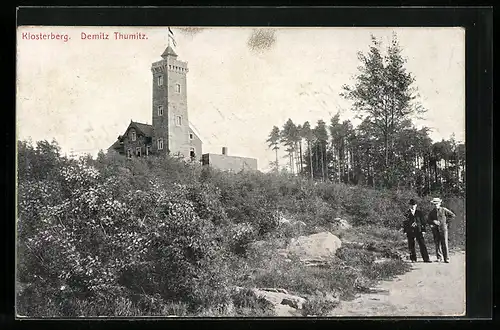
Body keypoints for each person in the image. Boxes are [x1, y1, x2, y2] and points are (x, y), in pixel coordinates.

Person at [427, 197, 456, 263]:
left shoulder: (444, 210)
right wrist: (433, 222)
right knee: (437, 243)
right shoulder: (432, 212)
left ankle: (446, 258)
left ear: (440, 203)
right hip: (435, 229)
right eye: (434, 204)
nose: (435, 205)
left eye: (437, 203)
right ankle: (439, 258)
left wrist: (446, 223)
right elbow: (428, 220)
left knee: (444, 243)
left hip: (443, 229)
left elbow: (453, 216)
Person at [402, 199, 431, 263]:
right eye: (411, 205)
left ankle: (426, 259)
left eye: (414, 205)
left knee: (422, 244)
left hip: (419, 230)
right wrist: (405, 231)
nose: (413, 206)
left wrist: (424, 230)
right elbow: (405, 223)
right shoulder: (407, 213)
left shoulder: (419, 213)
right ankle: (413, 259)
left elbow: (423, 222)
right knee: (411, 245)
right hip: (410, 231)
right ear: (409, 205)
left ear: (416, 205)